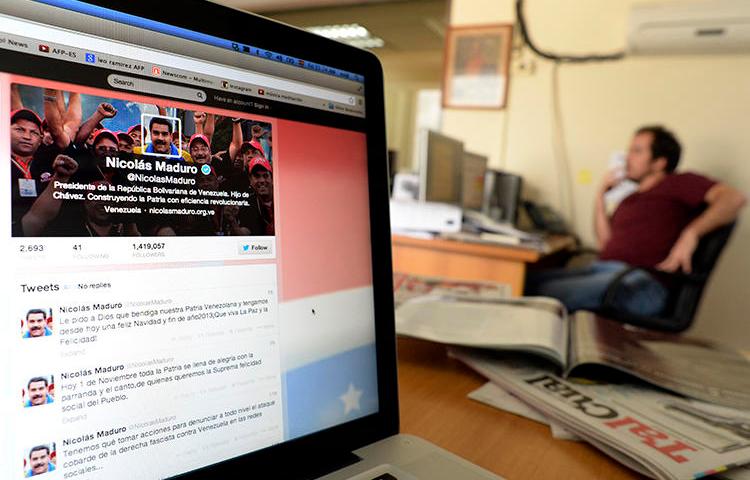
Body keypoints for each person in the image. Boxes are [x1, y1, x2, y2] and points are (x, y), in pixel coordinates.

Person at [526, 126, 747, 317]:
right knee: (524, 281)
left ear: (659, 162)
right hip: (603, 272)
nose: (626, 157)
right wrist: (600, 196)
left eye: (636, 151)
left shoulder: (680, 182)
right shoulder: (630, 199)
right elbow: (605, 244)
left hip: (642, 283)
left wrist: (691, 233)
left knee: (546, 294)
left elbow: (734, 199)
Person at [242, 156, 274, 235]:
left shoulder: (285, 198)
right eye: (257, 176)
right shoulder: (247, 205)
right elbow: (247, 232)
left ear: (272, 178)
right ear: (250, 180)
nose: (262, 180)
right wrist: (233, 223)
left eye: (265, 176)